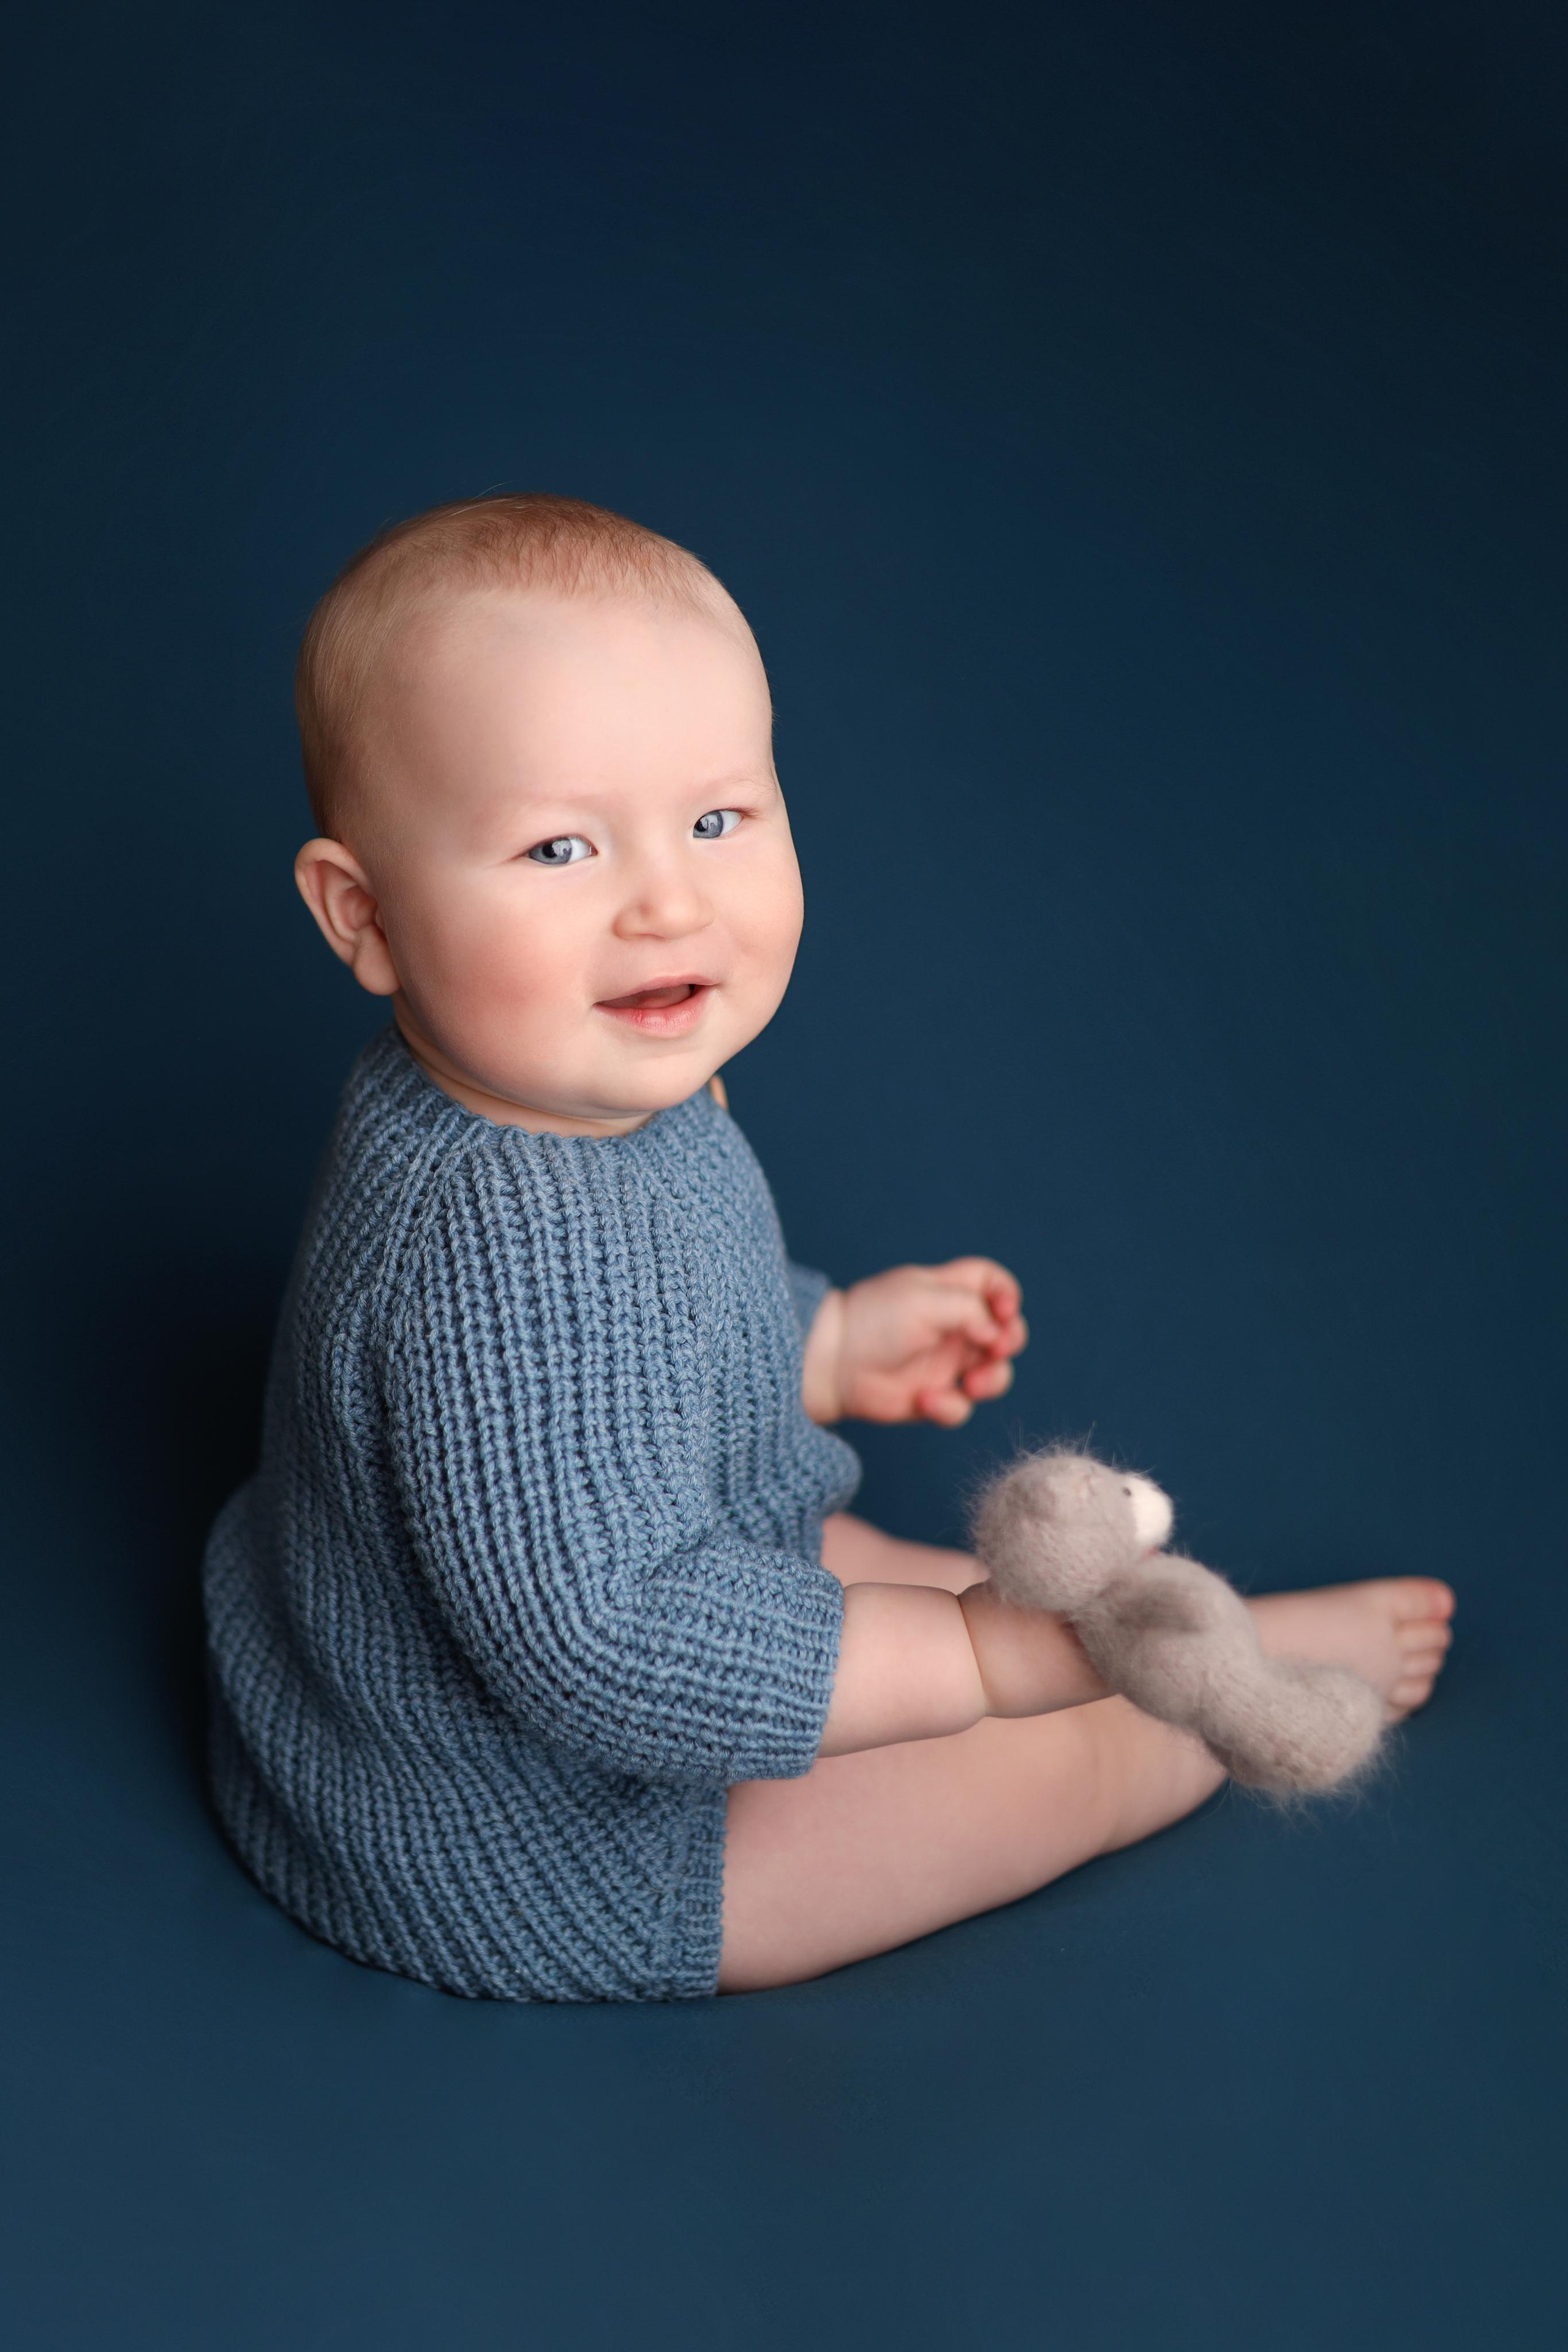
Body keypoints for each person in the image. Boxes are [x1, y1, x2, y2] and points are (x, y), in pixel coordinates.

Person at [203, 493, 1454, 2002]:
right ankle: (1204, 1695)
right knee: (1058, 1759)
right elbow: (599, 1640)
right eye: (556, 847)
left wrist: (823, 1340)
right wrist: (974, 1672)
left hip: (536, 1637)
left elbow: (643, 1347)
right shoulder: (498, 1233)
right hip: (518, 1833)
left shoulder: (556, 1087)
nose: (667, 900)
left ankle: (1188, 1641)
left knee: (918, 1587)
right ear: (366, 915)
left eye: (717, 819)